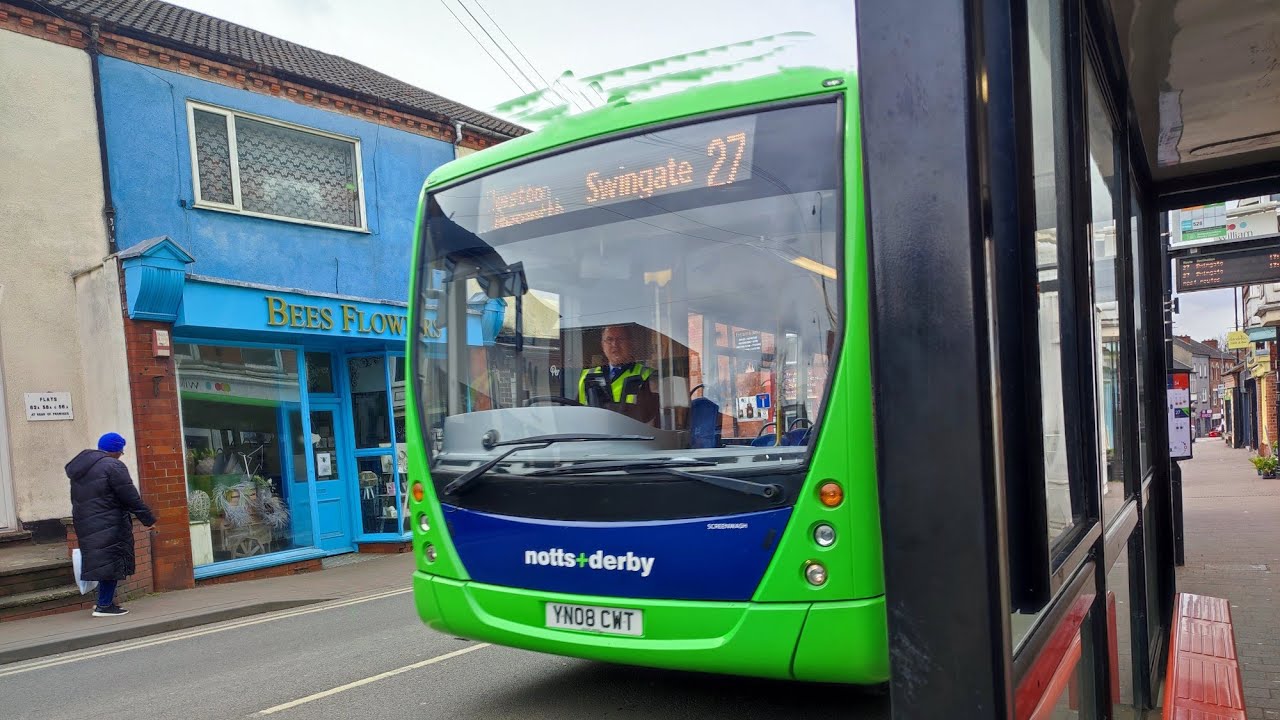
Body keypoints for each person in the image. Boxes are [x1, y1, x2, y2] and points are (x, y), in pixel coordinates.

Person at [65, 432, 156, 617]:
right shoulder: (113, 466)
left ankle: (103, 602)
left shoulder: (83, 468)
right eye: (121, 451)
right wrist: (148, 519)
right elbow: (129, 496)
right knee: (112, 562)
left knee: (102, 562)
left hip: (86, 522)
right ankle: (104, 605)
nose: (121, 455)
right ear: (115, 450)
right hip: (109, 521)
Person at [578, 324, 659, 424]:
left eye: (620, 339)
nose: (614, 344)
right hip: (594, 432)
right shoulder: (587, 375)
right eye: (609, 339)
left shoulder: (648, 375)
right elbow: (578, 413)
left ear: (630, 344)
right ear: (602, 345)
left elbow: (649, 417)